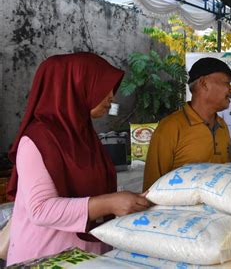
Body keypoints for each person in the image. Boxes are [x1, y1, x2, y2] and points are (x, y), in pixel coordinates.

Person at [6, 53, 150, 266]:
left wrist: (131, 201)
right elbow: (41, 209)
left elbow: (95, 192)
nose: (111, 97)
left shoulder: (84, 136)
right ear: (73, 87)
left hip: (88, 255)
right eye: (102, 87)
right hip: (47, 257)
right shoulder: (37, 139)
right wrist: (110, 203)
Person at [143, 57, 231, 190]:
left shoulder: (222, 126)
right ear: (204, 83)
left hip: (219, 209)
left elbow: (223, 172)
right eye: (227, 83)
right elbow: (151, 188)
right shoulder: (170, 127)